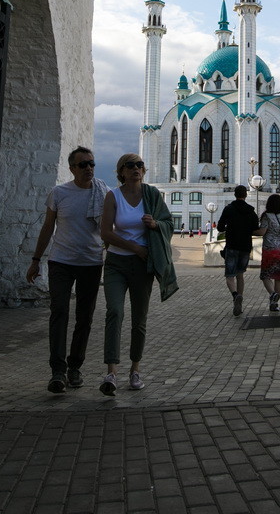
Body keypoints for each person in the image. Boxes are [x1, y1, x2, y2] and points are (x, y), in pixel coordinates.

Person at [26, 147, 110, 394]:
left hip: (91, 262)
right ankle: (58, 371)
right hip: (61, 262)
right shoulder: (59, 193)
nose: (89, 169)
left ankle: (75, 367)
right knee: (59, 311)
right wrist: (35, 260)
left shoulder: (103, 193)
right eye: (83, 165)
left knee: (84, 317)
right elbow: (47, 228)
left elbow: (111, 226)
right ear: (72, 168)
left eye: (91, 164)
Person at [98, 153, 177, 395]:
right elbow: (105, 233)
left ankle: (135, 369)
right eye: (130, 165)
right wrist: (135, 248)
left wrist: (155, 225)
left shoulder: (152, 195)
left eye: (140, 165)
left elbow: (168, 223)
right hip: (117, 264)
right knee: (115, 311)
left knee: (139, 319)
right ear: (121, 172)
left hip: (142, 267)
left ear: (144, 170)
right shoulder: (113, 196)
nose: (136, 169)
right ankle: (111, 372)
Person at [216, 185, 260, 316]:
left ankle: (235, 296)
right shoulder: (251, 211)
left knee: (230, 276)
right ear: (245, 195)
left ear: (234, 195)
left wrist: (230, 227)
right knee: (240, 274)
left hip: (232, 246)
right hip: (245, 247)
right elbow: (255, 228)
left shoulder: (229, 209)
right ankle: (239, 300)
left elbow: (219, 227)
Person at [254, 193, 280, 312]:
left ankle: (272, 294)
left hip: (270, 249)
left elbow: (262, 232)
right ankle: (275, 304)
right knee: (279, 277)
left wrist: (251, 231)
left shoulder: (266, 216)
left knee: (266, 275)